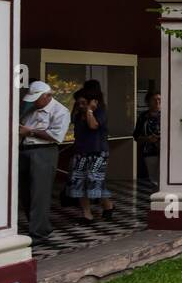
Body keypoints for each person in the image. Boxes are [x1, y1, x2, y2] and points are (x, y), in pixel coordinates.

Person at [19, 80, 70, 243]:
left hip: (44, 152)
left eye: (37, 98)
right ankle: (38, 226)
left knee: (39, 193)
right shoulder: (31, 109)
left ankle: (39, 232)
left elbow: (56, 136)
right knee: (25, 191)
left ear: (48, 96)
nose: (34, 102)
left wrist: (31, 132)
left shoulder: (60, 111)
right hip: (25, 150)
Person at [69, 80, 114, 222]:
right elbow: (72, 120)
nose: (80, 105)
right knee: (79, 181)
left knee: (94, 181)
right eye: (79, 103)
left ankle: (108, 205)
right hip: (81, 152)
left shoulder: (100, 111)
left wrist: (89, 110)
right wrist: (79, 108)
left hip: (97, 151)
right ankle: (86, 214)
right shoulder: (78, 113)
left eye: (83, 103)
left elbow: (93, 126)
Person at [133, 91, 161, 182]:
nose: (157, 102)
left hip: (165, 152)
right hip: (150, 152)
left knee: (164, 178)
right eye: (154, 100)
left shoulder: (166, 115)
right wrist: (148, 139)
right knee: (154, 179)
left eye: (159, 99)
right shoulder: (143, 117)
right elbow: (136, 136)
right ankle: (154, 195)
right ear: (148, 102)